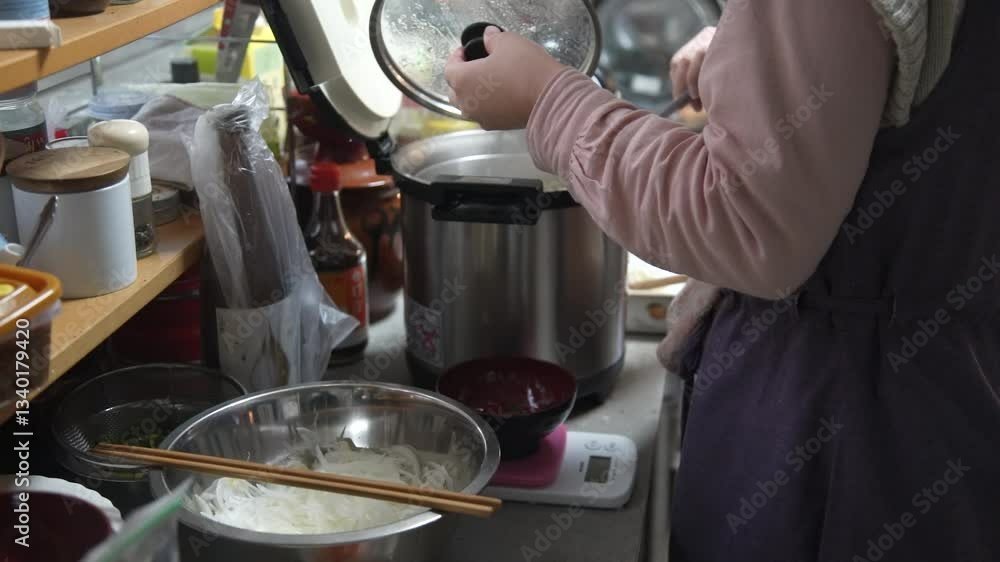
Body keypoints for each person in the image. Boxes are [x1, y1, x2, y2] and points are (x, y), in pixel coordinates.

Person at [444, 1, 998, 561]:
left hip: (829, 423)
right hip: (949, 389)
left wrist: (548, 101)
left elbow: (746, 223)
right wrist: (773, 57)